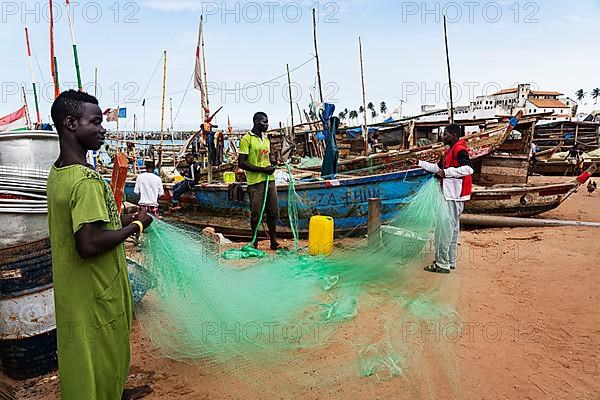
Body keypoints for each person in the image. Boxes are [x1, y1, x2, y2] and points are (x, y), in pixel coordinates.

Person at [47, 90, 153, 400]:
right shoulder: (85, 180)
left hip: (74, 289)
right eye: (95, 122)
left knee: (83, 354)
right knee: (105, 347)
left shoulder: (59, 173)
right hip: (96, 289)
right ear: (70, 124)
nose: (103, 128)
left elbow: (90, 226)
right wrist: (136, 225)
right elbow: (89, 244)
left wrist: (120, 220)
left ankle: (113, 392)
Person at [411, 123, 474, 274]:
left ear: (453, 135)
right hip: (453, 195)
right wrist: (419, 163)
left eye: (445, 134)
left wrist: (447, 173)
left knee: (443, 230)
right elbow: (437, 168)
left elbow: (468, 169)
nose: (442, 137)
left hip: (453, 195)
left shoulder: (459, 150)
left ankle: (442, 263)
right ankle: (450, 261)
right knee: (452, 230)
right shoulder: (449, 152)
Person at [238, 112, 283, 250]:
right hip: (256, 182)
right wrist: (263, 170)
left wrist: (273, 163)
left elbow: (268, 158)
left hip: (270, 180)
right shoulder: (247, 139)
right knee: (256, 213)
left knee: (272, 212)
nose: (267, 125)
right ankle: (254, 242)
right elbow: (242, 163)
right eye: (264, 122)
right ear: (257, 122)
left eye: (267, 122)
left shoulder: (266, 140)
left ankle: (273, 242)